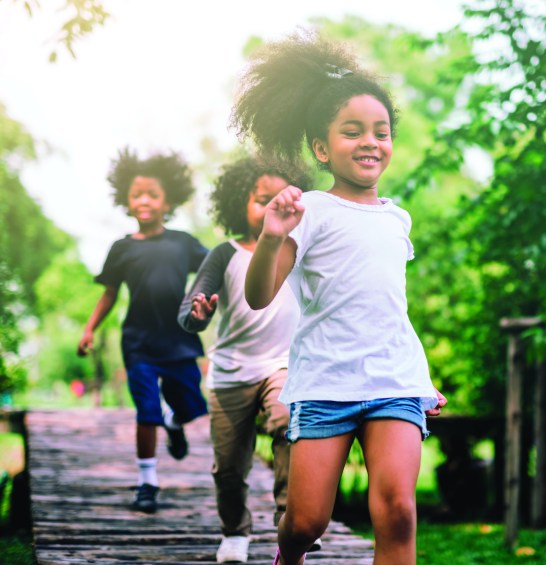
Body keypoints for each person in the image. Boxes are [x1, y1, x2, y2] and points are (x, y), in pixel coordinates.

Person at [231, 31, 448, 565]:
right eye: (353, 132)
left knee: (397, 511)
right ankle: (290, 555)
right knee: (307, 521)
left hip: (393, 381)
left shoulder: (398, 218)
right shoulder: (310, 210)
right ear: (323, 148)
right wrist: (273, 235)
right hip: (327, 382)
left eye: (381, 131)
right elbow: (259, 296)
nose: (370, 141)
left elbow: (388, 308)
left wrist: (420, 379)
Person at [177, 156, 319, 563]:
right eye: (261, 199)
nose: (271, 206)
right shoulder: (225, 253)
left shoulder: (301, 251)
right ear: (240, 203)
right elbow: (188, 310)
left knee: (288, 426)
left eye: (280, 198)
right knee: (229, 466)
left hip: (283, 365)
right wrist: (197, 313)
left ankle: (290, 522)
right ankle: (234, 531)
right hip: (231, 371)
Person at [77, 147, 209, 514]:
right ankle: (147, 482)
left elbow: (216, 267)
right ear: (126, 201)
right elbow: (109, 294)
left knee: (191, 405)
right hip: (139, 344)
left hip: (180, 339)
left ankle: (174, 420)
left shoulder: (183, 242)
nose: (145, 200)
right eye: (137, 195)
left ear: (168, 201)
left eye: (153, 194)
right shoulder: (121, 249)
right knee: (146, 410)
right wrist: (89, 329)